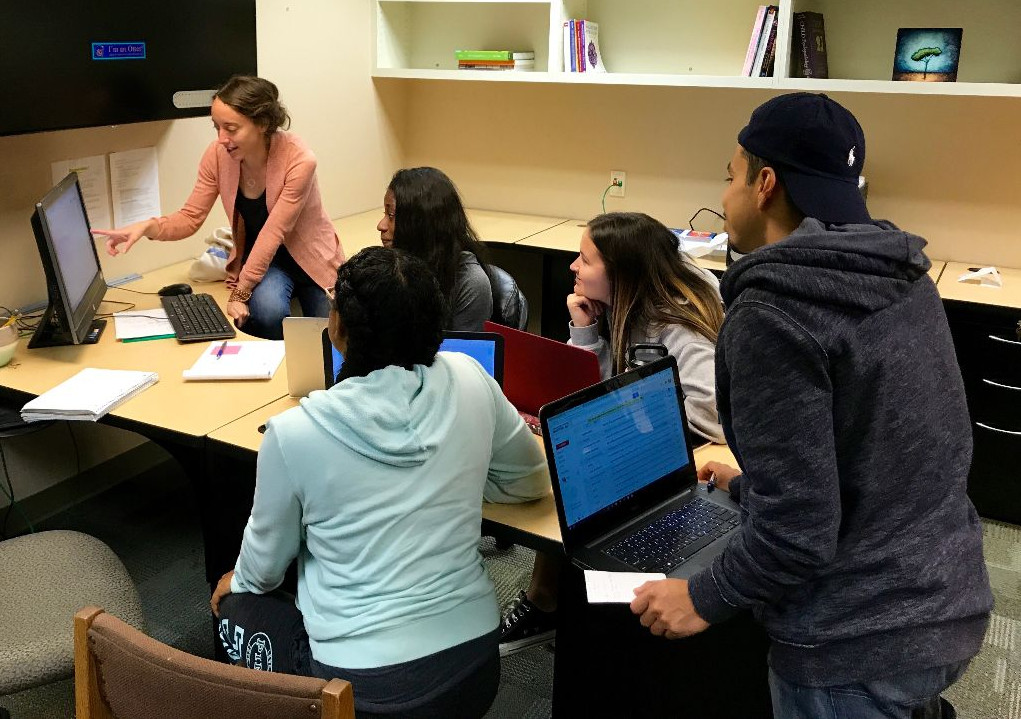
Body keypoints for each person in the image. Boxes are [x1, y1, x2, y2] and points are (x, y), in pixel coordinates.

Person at [630, 93, 993, 718]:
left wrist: (702, 598)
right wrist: (757, 485)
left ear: (764, 182)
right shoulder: (901, 276)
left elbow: (798, 535)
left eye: (729, 174)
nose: (724, 194)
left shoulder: (775, 313)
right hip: (947, 594)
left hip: (855, 640)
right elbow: (882, 452)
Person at [209, 246, 548, 718]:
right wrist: (456, 478)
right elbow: (531, 481)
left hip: (360, 697)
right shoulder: (472, 378)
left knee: (232, 602)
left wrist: (235, 581)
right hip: (475, 671)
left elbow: (262, 573)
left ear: (338, 328)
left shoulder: (293, 434)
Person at [500, 211, 727, 655]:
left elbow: (711, 414)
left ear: (621, 273)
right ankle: (555, 604)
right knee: (575, 466)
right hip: (662, 449)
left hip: (703, 456)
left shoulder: (674, 327)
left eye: (584, 260)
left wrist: (631, 423)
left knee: (579, 476)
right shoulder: (623, 306)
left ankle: (551, 604)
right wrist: (585, 333)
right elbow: (592, 393)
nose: (572, 267)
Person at [92, 76, 343, 340]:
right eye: (217, 127)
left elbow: (274, 232)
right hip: (266, 264)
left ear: (263, 124)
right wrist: (147, 227)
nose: (222, 139)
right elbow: (190, 217)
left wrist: (240, 293)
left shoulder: (299, 159)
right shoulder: (218, 155)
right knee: (268, 313)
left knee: (329, 333)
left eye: (231, 128)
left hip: (313, 257)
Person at [377, 167, 493, 331]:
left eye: (391, 215)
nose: (380, 225)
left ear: (421, 225)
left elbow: (458, 356)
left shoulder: (470, 283)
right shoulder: (394, 267)